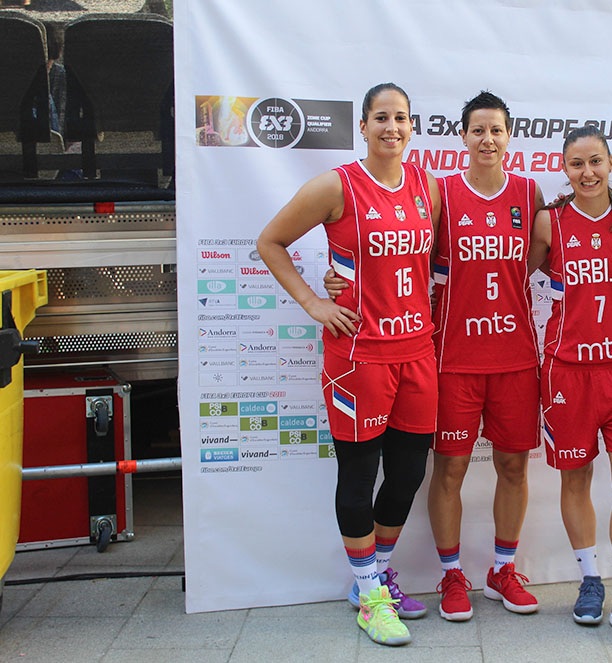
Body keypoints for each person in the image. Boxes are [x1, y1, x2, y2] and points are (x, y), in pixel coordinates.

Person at [326, 91, 545, 621]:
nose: (487, 139)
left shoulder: (529, 192)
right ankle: (451, 576)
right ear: (463, 137)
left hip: (514, 355)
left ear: (510, 136)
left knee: (514, 465)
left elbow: (544, 256)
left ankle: (503, 568)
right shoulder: (439, 191)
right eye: (477, 130)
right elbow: (399, 251)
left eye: (497, 130)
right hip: (449, 356)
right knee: (447, 470)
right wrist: (337, 283)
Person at [257, 82, 439, 647]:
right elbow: (271, 241)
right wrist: (316, 300)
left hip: (418, 350)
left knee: (408, 473)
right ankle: (367, 593)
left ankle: (374, 576)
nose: (392, 127)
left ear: (412, 127)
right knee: (358, 477)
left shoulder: (425, 186)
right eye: (381, 118)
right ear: (362, 127)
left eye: (401, 118)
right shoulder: (337, 185)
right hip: (358, 356)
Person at [526, 125, 612, 645]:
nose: (587, 173)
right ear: (564, 168)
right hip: (566, 371)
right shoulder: (549, 223)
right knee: (575, 480)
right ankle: (589, 580)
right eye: (576, 164)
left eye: (596, 162)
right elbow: (505, 278)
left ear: (610, 164)